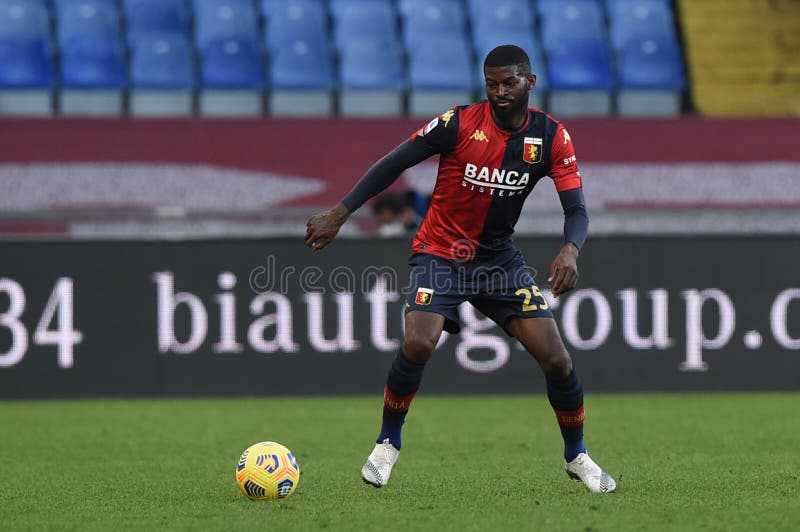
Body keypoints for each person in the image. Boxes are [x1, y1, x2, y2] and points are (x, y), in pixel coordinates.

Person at [305, 45, 616, 494]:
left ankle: (577, 455)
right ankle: (387, 442)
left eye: (509, 82)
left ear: (530, 81)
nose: (499, 92)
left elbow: (578, 209)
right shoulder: (458, 124)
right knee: (419, 341)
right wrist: (341, 211)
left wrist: (571, 249)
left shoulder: (551, 137)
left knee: (556, 358)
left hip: (499, 262)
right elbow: (395, 162)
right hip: (441, 252)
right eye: (492, 84)